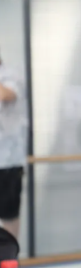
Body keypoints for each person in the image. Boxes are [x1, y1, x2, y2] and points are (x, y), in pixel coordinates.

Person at [0, 50, 27, 242]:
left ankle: (8, 258)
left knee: (8, 215)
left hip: (7, 161)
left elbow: (7, 95)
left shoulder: (10, 75)